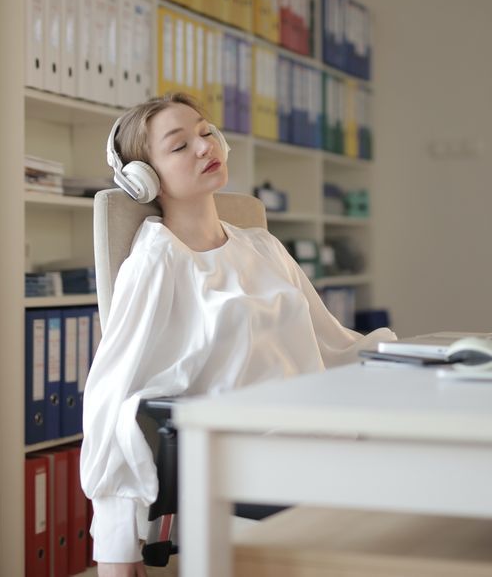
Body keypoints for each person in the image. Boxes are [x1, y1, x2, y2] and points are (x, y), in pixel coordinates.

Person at [80, 92, 395, 576]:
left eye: (206, 133)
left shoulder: (262, 246)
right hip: (254, 455)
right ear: (144, 179)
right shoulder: (158, 261)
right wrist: (116, 544)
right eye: (179, 145)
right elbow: (113, 398)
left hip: (317, 435)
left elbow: (333, 344)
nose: (205, 148)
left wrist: (430, 357)